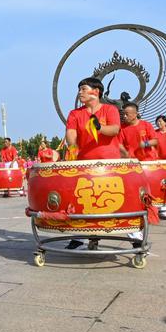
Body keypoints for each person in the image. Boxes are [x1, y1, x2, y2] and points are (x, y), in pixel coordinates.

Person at [64, 77, 123, 249]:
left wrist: (99, 127)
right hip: (85, 165)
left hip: (109, 165)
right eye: (79, 89)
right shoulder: (75, 114)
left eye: (83, 89)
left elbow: (114, 130)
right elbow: (71, 135)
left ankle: (134, 234)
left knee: (116, 199)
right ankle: (80, 236)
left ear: (96, 91)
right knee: (84, 200)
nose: (80, 92)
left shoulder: (110, 109)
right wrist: (71, 144)